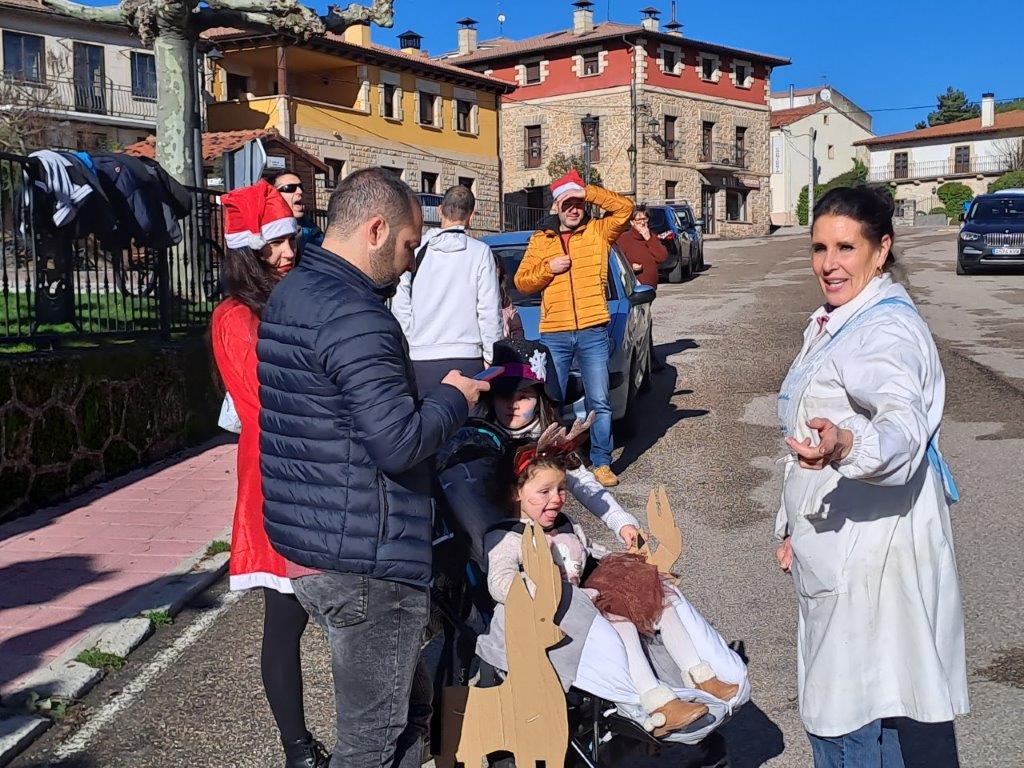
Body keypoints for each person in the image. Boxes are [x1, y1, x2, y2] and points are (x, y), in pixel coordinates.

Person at [257, 168, 490, 768]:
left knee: (407, 721)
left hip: (316, 542)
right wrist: (452, 399)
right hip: (367, 557)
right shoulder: (358, 315)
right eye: (410, 245)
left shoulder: (293, 292)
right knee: (371, 742)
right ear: (377, 229)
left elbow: (333, 411)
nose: (410, 263)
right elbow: (399, 443)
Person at [774, 186, 968, 767]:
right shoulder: (840, 318)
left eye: (845, 248)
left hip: (869, 550)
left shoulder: (885, 332)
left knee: (848, 712)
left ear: (881, 250)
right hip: (844, 539)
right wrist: (792, 524)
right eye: (819, 248)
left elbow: (902, 424)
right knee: (877, 700)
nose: (828, 264)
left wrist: (847, 445)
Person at [482, 421, 743, 737]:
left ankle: (699, 674)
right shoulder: (508, 538)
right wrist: (546, 589)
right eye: (544, 492)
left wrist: (631, 561)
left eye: (561, 489)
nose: (557, 499)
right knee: (623, 626)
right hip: (555, 614)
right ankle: (655, 700)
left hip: (588, 598)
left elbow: (590, 551)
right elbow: (500, 581)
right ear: (515, 493)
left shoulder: (564, 524)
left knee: (658, 600)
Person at [209, 181, 329, 768]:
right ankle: (297, 748)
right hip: (280, 480)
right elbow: (264, 401)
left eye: (291, 242)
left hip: (325, 471)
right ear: (247, 251)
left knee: (347, 611)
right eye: (274, 245)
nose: (288, 253)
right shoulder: (234, 317)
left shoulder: (295, 299)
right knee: (286, 620)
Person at [514, 170, 634, 487]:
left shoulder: (598, 232)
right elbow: (522, 282)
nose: (574, 209)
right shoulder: (542, 240)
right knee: (551, 401)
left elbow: (625, 209)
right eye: (568, 203)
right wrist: (548, 269)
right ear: (557, 206)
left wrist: (587, 190)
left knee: (600, 399)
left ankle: (602, 462)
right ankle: (550, 457)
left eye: (579, 203)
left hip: (593, 329)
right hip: (555, 332)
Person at [392, 184, 502, 389]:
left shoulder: (418, 250)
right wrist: (491, 355)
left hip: (422, 357)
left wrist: (411, 342)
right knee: (470, 419)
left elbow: (400, 303)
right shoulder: (480, 252)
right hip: (466, 355)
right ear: (472, 216)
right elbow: (488, 310)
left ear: (440, 210)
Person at [269, 170, 323, 257]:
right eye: (290, 188)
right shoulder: (258, 235)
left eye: (301, 187)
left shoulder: (314, 232)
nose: (300, 191)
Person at [615, 205, 668, 289]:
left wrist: (649, 239)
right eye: (639, 220)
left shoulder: (652, 237)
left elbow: (662, 257)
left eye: (645, 219)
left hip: (650, 288)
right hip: (634, 287)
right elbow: (616, 262)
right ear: (632, 222)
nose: (642, 223)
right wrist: (630, 267)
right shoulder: (623, 239)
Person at [494, 255, 525, 341]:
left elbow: (517, 330)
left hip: (503, 350)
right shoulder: (472, 300)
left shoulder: (507, 303)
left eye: (496, 267)